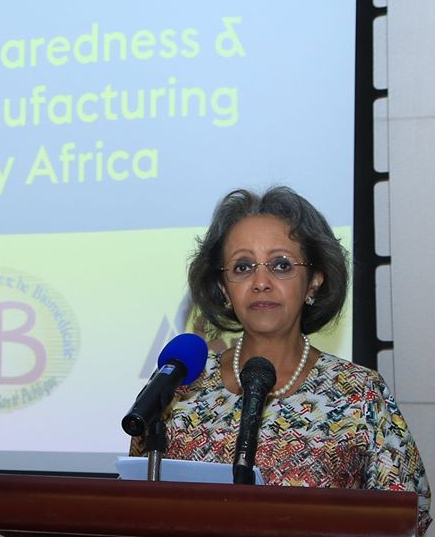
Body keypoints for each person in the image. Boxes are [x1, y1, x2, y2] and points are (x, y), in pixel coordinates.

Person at [132, 186, 431, 535]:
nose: (261, 282)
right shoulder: (182, 386)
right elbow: (136, 500)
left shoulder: (358, 393)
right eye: (243, 267)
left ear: (314, 281)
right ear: (224, 288)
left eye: (281, 265)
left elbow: (409, 516)